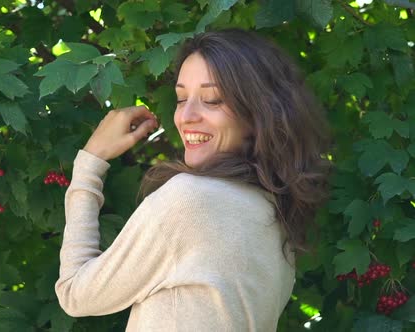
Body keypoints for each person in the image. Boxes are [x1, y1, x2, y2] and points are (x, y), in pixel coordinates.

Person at [55, 28, 331, 331]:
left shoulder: (190, 200)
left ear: (257, 112)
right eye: (181, 98)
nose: (186, 116)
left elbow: (75, 294)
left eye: (212, 100)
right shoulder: (275, 216)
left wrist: (90, 163)